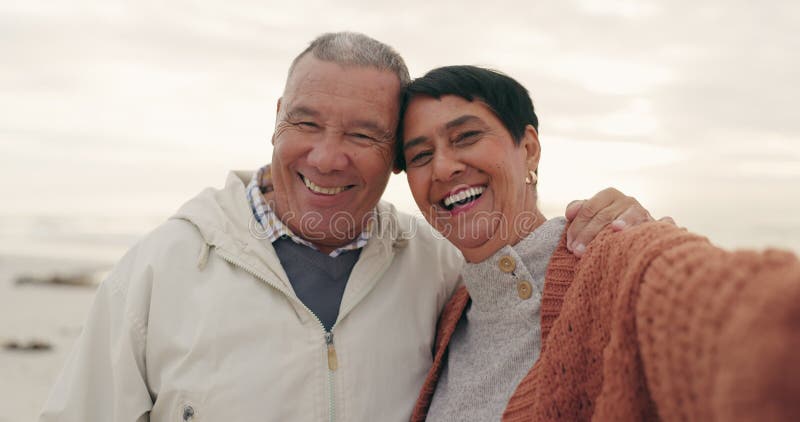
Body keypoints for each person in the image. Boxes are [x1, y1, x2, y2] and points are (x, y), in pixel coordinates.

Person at [41, 33, 659, 421]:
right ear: (278, 119)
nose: (327, 157)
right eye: (307, 124)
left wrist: (631, 227)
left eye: (363, 134)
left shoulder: (439, 268)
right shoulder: (162, 269)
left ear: (392, 158)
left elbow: (524, 283)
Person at [398, 65, 800, 421]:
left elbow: (743, 318)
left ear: (530, 149)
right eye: (420, 156)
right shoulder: (449, 311)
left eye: (466, 137)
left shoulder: (615, 256)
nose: (443, 167)